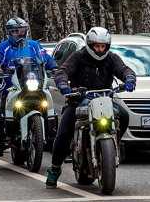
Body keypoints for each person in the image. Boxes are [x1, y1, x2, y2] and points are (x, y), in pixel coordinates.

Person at [46, 27, 136, 187]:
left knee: (124, 115)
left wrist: (129, 78)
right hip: (78, 100)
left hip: (105, 99)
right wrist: (63, 84)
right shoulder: (78, 56)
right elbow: (63, 71)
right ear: (89, 45)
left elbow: (124, 69)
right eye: (97, 46)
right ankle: (54, 168)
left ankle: (114, 142)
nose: (100, 50)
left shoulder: (112, 58)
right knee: (64, 131)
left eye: (103, 46)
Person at [0, 17, 58, 169]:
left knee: (50, 108)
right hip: (12, 87)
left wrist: (54, 67)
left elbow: (45, 57)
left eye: (22, 30)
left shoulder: (34, 45)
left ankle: (56, 144)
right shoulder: (4, 47)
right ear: (10, 32)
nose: (20, 34)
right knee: (1, 119)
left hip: (35, 85)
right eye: (16, 31)